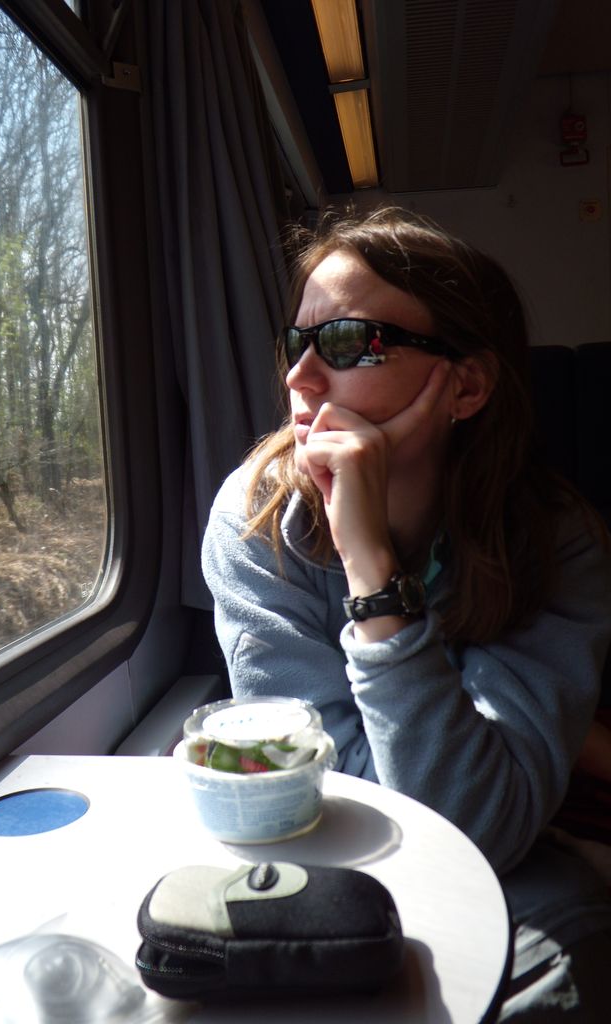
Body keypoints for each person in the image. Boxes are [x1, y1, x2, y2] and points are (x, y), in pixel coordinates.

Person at [201, 206, 611, 1020]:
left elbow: (476, 825)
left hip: (508, 863)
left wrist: (372, 571)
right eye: (296, 343)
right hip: (330, 856)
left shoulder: (553, 539)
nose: (300, 378)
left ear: (466, 385)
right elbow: (324, 791)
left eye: (350, 343)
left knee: (569, 970)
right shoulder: (257, 522)